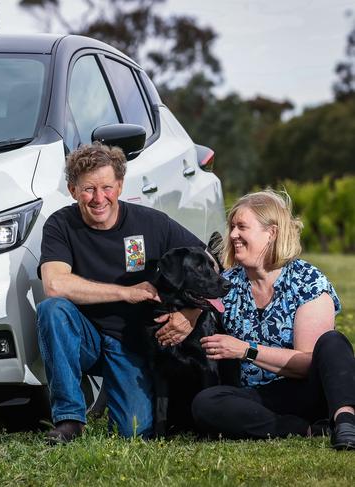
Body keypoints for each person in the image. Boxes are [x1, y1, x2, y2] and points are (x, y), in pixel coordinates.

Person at [36, 142, 205, 443]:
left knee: (134, 432)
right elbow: (55, 284)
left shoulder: (151, 223)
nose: (99, 198)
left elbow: (207, 261)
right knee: (53, 310)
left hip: (131, 343)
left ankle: (117, 396)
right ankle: (70, 420)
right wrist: (124, 292)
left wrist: (191, 313)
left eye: (107, 187)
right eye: (88, 189)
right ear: (72, 189)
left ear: (120, 185)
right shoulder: (60, 224)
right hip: (83, 335)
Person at [192, 190, 355, 449]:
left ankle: (345, 421)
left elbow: (307, 364)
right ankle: (303, 429)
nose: (233, 235)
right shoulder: (229, 284)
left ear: (272, 233)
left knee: (333, 342)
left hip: (310, 391)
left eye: (242, 227)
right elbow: (195, 309)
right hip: (259, 397)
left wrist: (246, 351)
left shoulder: (307, 281)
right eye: (232, 227)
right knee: (206, 403)